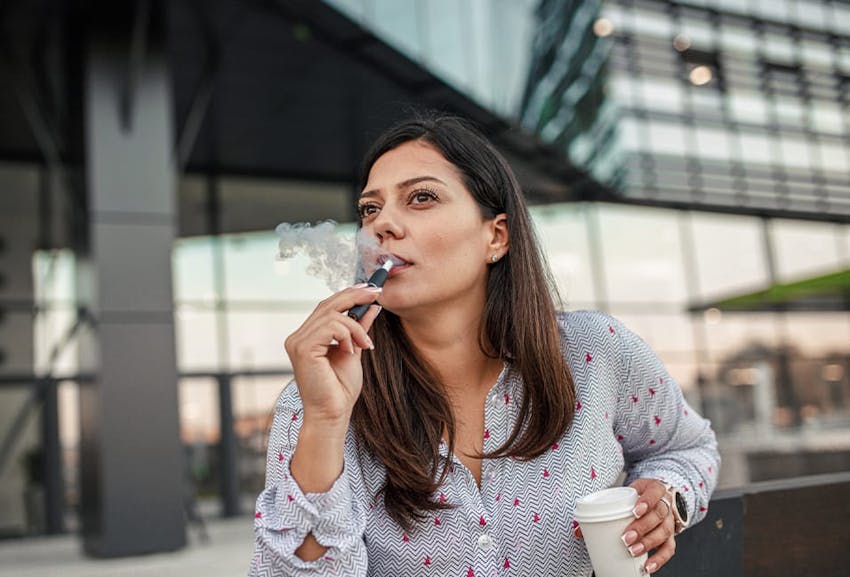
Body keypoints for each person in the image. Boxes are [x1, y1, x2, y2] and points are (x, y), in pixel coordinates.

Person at [249, 114, 719, 577]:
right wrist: (326, 425)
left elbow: (688, 447)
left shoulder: (595, 353)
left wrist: (668, 495)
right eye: (370, 209)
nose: (382, 225)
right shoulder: (317, 402)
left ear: (495, 236)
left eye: (421, 197)